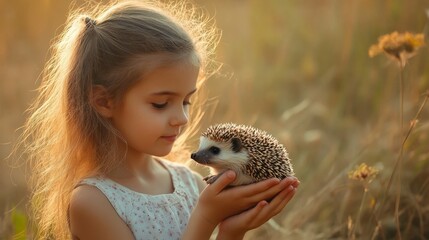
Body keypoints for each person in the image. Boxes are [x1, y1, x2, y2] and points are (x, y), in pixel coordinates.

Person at [19, 0, 299, 239]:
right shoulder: (93, 202)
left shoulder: (189, 181)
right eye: (160, 104)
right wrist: (206, 216)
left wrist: (231, 231)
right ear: (104, 102)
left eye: (187, 101)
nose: (182, 118)